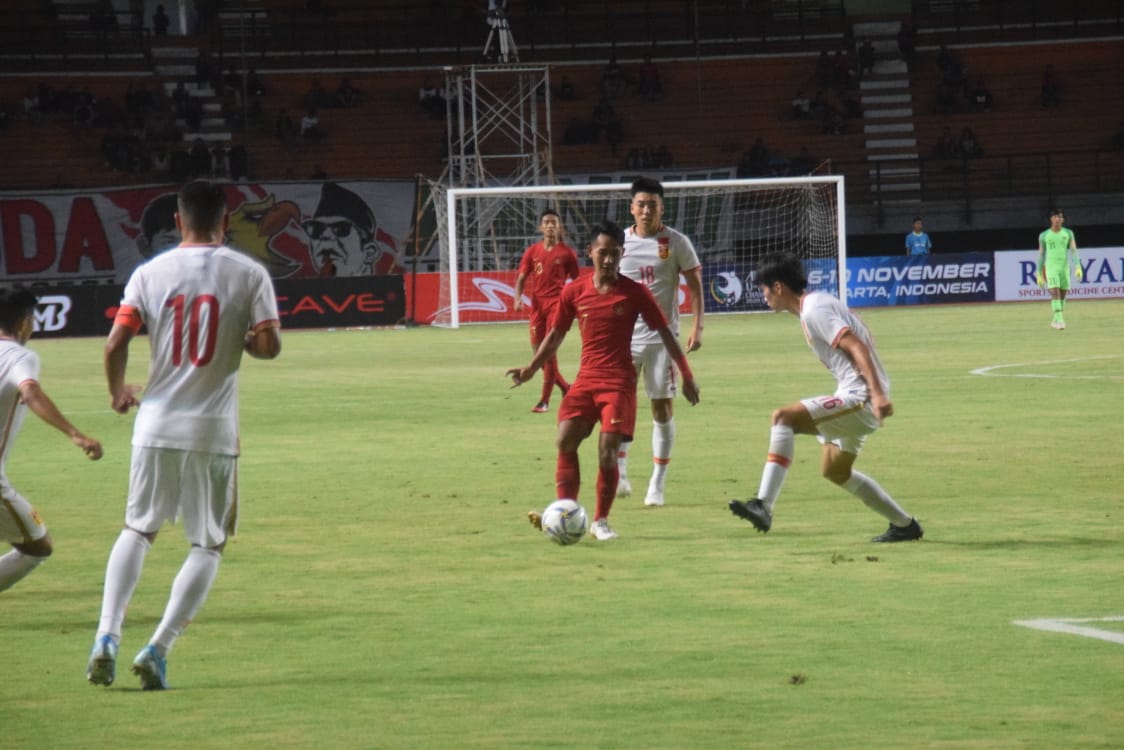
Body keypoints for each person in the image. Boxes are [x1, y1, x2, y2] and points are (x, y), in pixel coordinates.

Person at [86, 180, 281, 690]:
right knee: (208, 543)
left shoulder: (149, 273)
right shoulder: (249, 273)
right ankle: (158, 647)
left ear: (177, 221)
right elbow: (269, 345)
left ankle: (106, 634)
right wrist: (239, 337)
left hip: (155, 424)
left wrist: (116, 393)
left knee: (138, 530)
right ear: (226, 220)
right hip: (213, 429)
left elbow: (114, 345)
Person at [508, 220, 700, 541]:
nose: (609, 260)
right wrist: (530, 369)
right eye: (603, 253)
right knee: (565, 440)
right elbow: (555, 335)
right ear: (590, 253)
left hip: (618, 383)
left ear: (622, 254)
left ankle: (600, 520)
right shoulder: (574, 291)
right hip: (586, 381)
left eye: (615, 253)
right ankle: (566, 512)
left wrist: (687, 375)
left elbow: (665, 331)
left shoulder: (634, 292)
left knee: (607, 451)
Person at [728, 254, 923, 543]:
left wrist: (877, 394)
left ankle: (763, 505)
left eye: (764, 289)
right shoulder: (818, 304)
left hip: (861, 397)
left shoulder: (814, 310)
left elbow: (856, 344)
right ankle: (905, 525)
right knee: (835, 470)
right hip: (855, 391)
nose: (764, 296)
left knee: (783, 418)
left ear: (778, 287)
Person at [0, 289, 103, 594]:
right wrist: (76, 434)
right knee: (37, 547)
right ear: (24, 322)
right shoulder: (20, 356)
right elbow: (30, 392)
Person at [615, 178, 703, 508]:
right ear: (632, 208)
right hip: (623, 340)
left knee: (661, 409)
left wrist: (698, 325)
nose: (647, 210)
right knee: (619, 404)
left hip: (661, 340)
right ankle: (622, 470)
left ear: (662, 208)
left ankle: (657, 482)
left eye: (653, 204)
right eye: (641, 204)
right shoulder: (619, 243)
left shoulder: (676, 242)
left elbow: (695, 285)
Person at [512, 209, 581, 413]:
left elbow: (577, 281)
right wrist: (517, 298)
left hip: (556, 306)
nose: (550, 225)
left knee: (549, 353)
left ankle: (544, 401)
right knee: (538, 354)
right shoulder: (532, 252)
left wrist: (576, 303)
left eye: (554, 222)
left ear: (559, 227)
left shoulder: (567, 254)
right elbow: (522, 277)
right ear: (541, 227)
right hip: (537, 307)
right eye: (547, 222)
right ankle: (567, 388)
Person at [303, 182, 399, 276]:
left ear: (369, 252)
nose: (325, 236)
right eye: (316, 229)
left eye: (340, 229)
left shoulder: (387, 290)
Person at [1036, 208, 1081, 330]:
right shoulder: (1044, 235)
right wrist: (1039, 273)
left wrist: (1078, 266)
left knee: (1062, 295)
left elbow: (1073, 250)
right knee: (1054, 292)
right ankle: (1060, 320)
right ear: (1051, 219)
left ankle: (1055, 319)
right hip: (1051, 268)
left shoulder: (1068, 233)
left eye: (1060, 217)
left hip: (1064, 268)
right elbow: (1041, 254)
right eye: (1056, 217)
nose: (1058, 219)